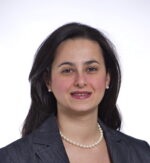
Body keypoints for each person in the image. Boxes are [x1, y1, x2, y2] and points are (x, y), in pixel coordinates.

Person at [0, 22, 149, 163]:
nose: (80, 81)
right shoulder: (13, 157)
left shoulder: (141, 153)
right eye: (67, 70)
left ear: (108, 78)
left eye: (91, 69)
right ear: (48, 81)